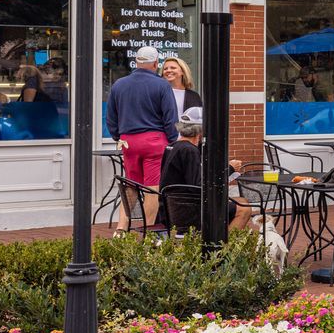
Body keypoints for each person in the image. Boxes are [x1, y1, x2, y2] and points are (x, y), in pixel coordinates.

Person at [104, 47, 177, 233]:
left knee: (131, 185)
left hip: (128, 141)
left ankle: (121, 227)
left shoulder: (119, 84)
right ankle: (147, 229)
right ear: (155, 64)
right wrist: (173, 141)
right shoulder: (162, 85)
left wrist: (118, 136)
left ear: (136, 62)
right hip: (154, 140)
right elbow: (170, 119)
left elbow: (111, 117)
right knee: (152, 188)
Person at [157, 115, 251, 232]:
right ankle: (224, 247)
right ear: (200, 132)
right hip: (186, 212)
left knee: (243, 201)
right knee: (244, 209)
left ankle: (221, 237)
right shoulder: (189, 150)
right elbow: (198, 186)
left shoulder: (171, 146)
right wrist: (229, 169)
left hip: (169, 208)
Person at [161, 56, 205, 125]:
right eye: (165, 69)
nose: (168, 70)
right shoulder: (158, 94)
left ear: (183, 72)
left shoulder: (194, 96)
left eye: (173, 68)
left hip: (187, 134)